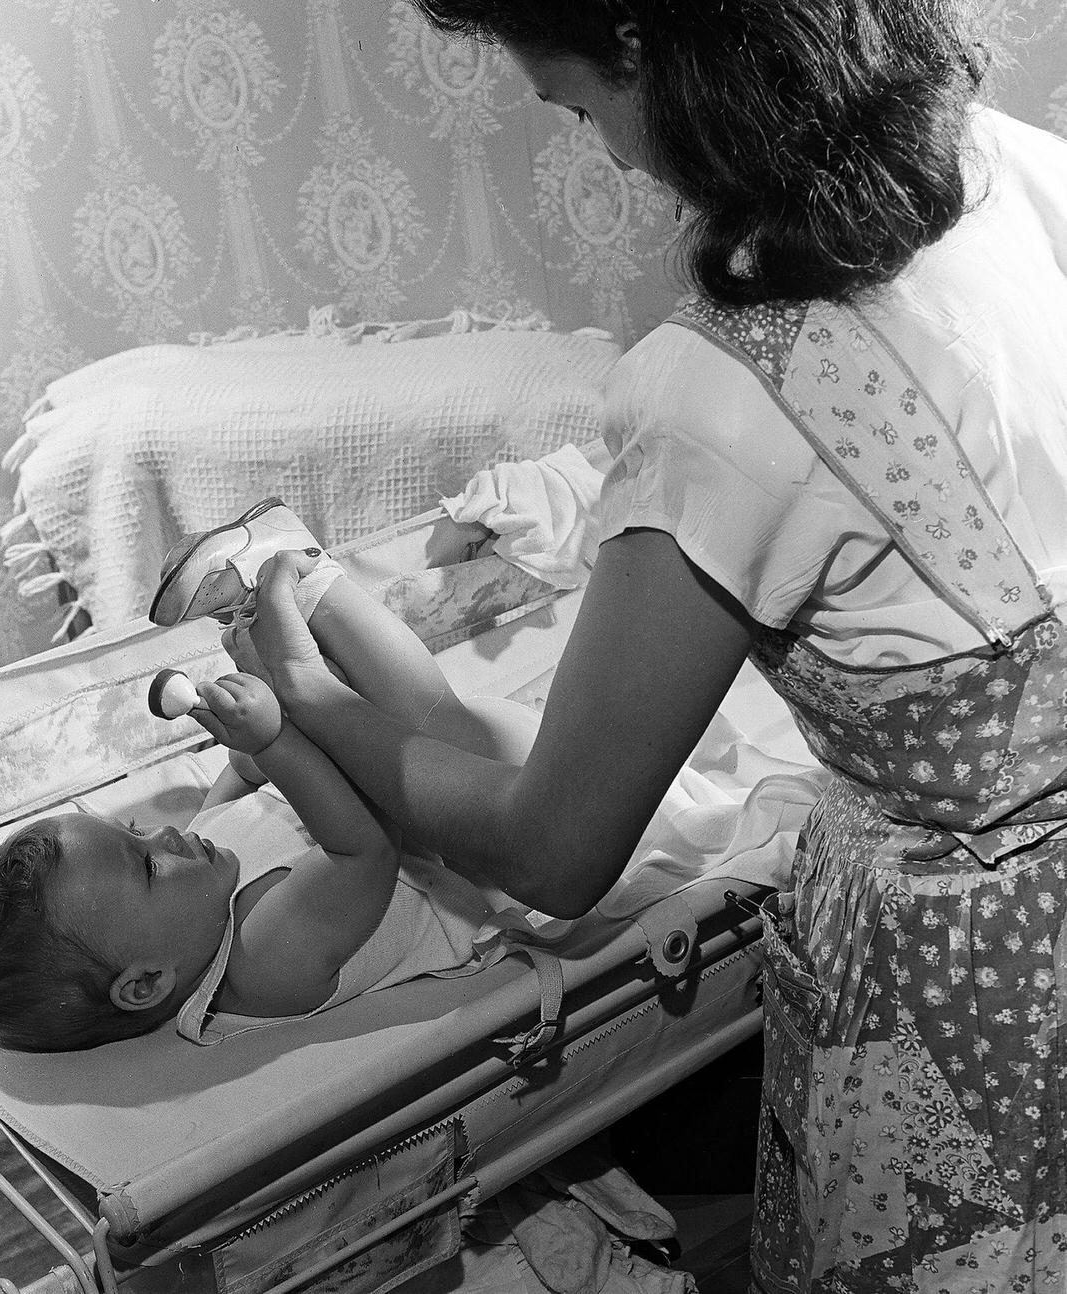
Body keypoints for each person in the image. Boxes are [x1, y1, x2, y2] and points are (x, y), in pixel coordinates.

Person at [203, 4, 1067, 1290]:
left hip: (962, 975)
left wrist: (313, 702)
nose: (605, 156)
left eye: (574, 107)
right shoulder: (1013, 165)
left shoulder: (734, 390)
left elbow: (557, 848)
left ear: (649, 43)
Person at [0, 541, 539, 1053]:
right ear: (146, 982)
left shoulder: (201, 878)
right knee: (424, 725)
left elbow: (244, 781)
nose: (163, 834)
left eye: (134, 832)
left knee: (361, 723)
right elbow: (364, 851)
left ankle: (278, 620)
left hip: (427, 799)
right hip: (495, 853)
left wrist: (241, 730)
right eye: (145, 864)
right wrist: (279, 737)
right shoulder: (264, 964)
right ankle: (311, 582)